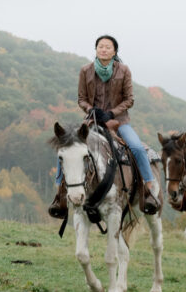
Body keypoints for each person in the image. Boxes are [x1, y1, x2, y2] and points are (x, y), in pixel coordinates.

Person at [48, 34, 160, 218]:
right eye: (101, 46)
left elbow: (129, 99)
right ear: (96, 49)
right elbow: (81, 98)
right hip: (92, 120)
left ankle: (147, 189)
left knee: (138, 148)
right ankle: (59, 193)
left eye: (108, 47)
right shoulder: (86, 70)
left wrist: (112, 113)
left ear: (114, 51)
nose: (104, 49)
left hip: (119, 121)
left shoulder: (124, 70)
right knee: (66, 145)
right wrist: (91, 109)